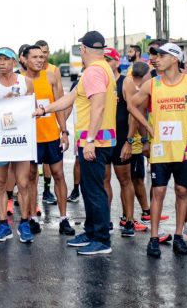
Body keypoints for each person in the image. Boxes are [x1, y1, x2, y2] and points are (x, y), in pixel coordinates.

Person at [128, 43, 187, 258]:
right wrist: (147, 128)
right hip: (161, 149)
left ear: (175, 59)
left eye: (162, 56)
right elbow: (131, 105)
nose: (156, 59)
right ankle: (154, 238)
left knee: (182, 191)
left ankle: (179, 236)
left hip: (185, 150)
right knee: (159, 192)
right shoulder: (152, 84)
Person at [37, 31, 116, 255]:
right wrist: (44, 110)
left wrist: (90, 140)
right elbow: (69, 99)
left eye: (80, 48)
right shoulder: (101, 68)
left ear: (83, 49)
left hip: (95, 141)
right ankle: (91, 232)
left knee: (94, 191)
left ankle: (101, 239)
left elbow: (98, 107)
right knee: (90, 189)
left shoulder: (94, 71)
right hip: (99, 139)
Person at [0, 47, 34, 243]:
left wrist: (17, 104)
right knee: (0, 183)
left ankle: (25, 223)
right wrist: (2, 103)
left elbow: (32, 109)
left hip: (20, 138)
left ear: (14, 62)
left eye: (6, 59)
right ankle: (3, 225)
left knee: (23, 183)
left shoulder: (26, 82)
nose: (2, 62)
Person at [23, 45, 73, 236]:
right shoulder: (20, 80)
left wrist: (64, 131)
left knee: (58, 174)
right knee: (31, 177)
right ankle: (33, 218)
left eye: (41, 56)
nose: (39, 60)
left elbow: (59, 106)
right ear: (25, 59)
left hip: (51, 136)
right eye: (34, 57)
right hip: (31, 138)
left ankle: (63, 218)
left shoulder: (51, 77)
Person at [104, 47, 137, 237]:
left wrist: (129, 141)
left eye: (109, 60)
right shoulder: (99, 82)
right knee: (104, 180)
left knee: (125, 179)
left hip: (121, 139)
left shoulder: (126, 82)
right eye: (103, 60)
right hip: (103, 139)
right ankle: (105, 219)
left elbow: (133, 114)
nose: (106, 63)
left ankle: (129, 220)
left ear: (117, 62)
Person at [125, 61, 152, 233]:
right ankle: (129, 218)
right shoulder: (134, 90)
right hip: (133, 144)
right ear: (144, 75)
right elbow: (135, 117)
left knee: (134, 180)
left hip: (133, 142)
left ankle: (146, 211)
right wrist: (143, 140)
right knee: (133, 181)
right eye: (150, 74)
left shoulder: (133, 87)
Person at [34, 40, 59, 205]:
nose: (42, 57)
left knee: (51, 166)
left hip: (50, 126)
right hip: (34, 128)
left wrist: (62, 127)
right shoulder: (25, 76)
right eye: (38, 54)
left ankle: (47, 190)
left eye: (45, 53)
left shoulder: (53, 71)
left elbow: (60, 100)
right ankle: (31, 205)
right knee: (31, 170)